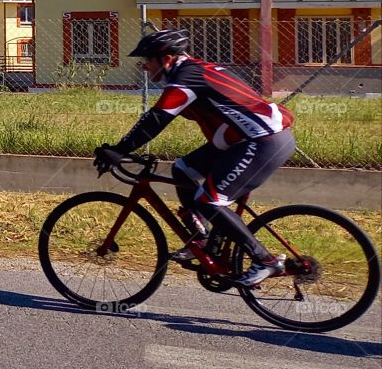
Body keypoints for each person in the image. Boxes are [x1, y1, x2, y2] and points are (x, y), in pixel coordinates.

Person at [94, 28, 296, 288]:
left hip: (261, 141)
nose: (144, 67)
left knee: (210, 200)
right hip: (243, 139)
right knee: (183, 169)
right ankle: (201, 239)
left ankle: (264, 261)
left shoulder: (187, 77)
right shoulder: (197, 70)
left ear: (166, 59)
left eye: (148, 60)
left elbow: (158, 117)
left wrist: (120, 149)